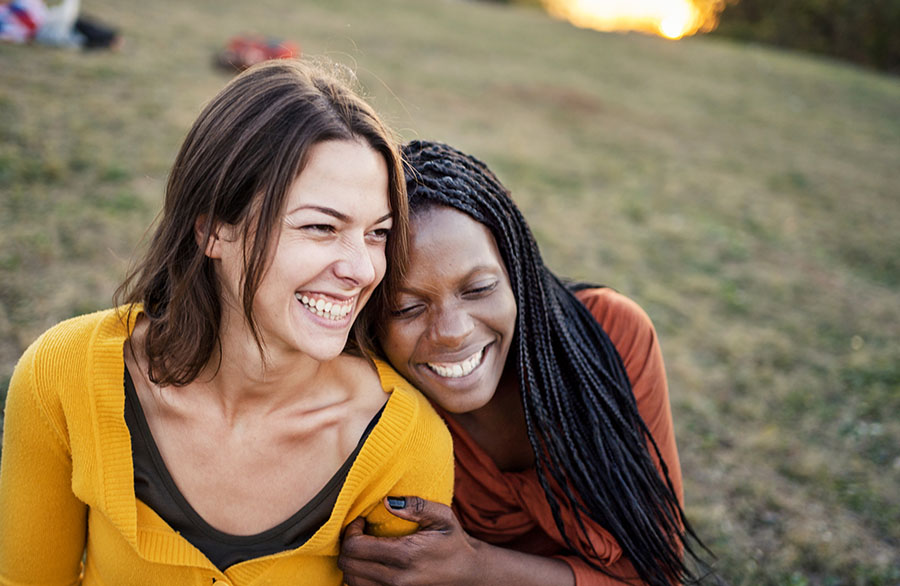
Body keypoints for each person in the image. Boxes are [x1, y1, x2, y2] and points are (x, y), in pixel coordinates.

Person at [0, 62, 453, 584]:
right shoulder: (62, 375)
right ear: (214, 230)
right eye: (321, 227)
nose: (361, 268)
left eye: (378, 233)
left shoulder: (404, 443)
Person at [339, 140, 707, 585]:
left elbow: (658, 572)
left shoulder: (610, 335)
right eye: (407, 309)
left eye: (478, 289)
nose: (453, 331)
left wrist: (475, 567)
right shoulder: (372, 400)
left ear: (516, 270)